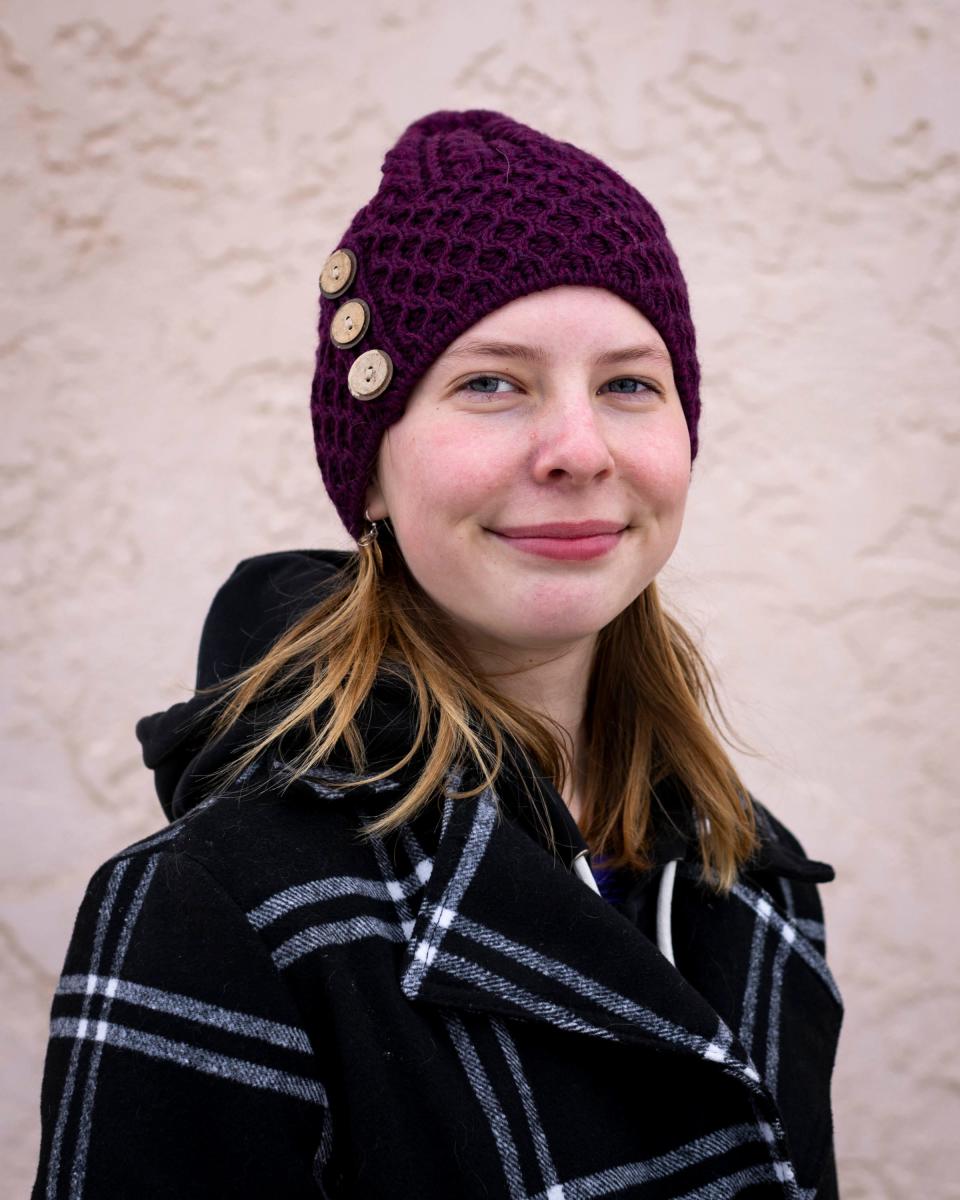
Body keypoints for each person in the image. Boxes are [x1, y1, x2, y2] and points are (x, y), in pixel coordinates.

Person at [31, 109, 844, 1199]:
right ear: (368, 472)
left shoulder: (745, 866)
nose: (578, 449)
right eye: (492, 383)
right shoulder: (211, 910)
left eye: (629, 384)